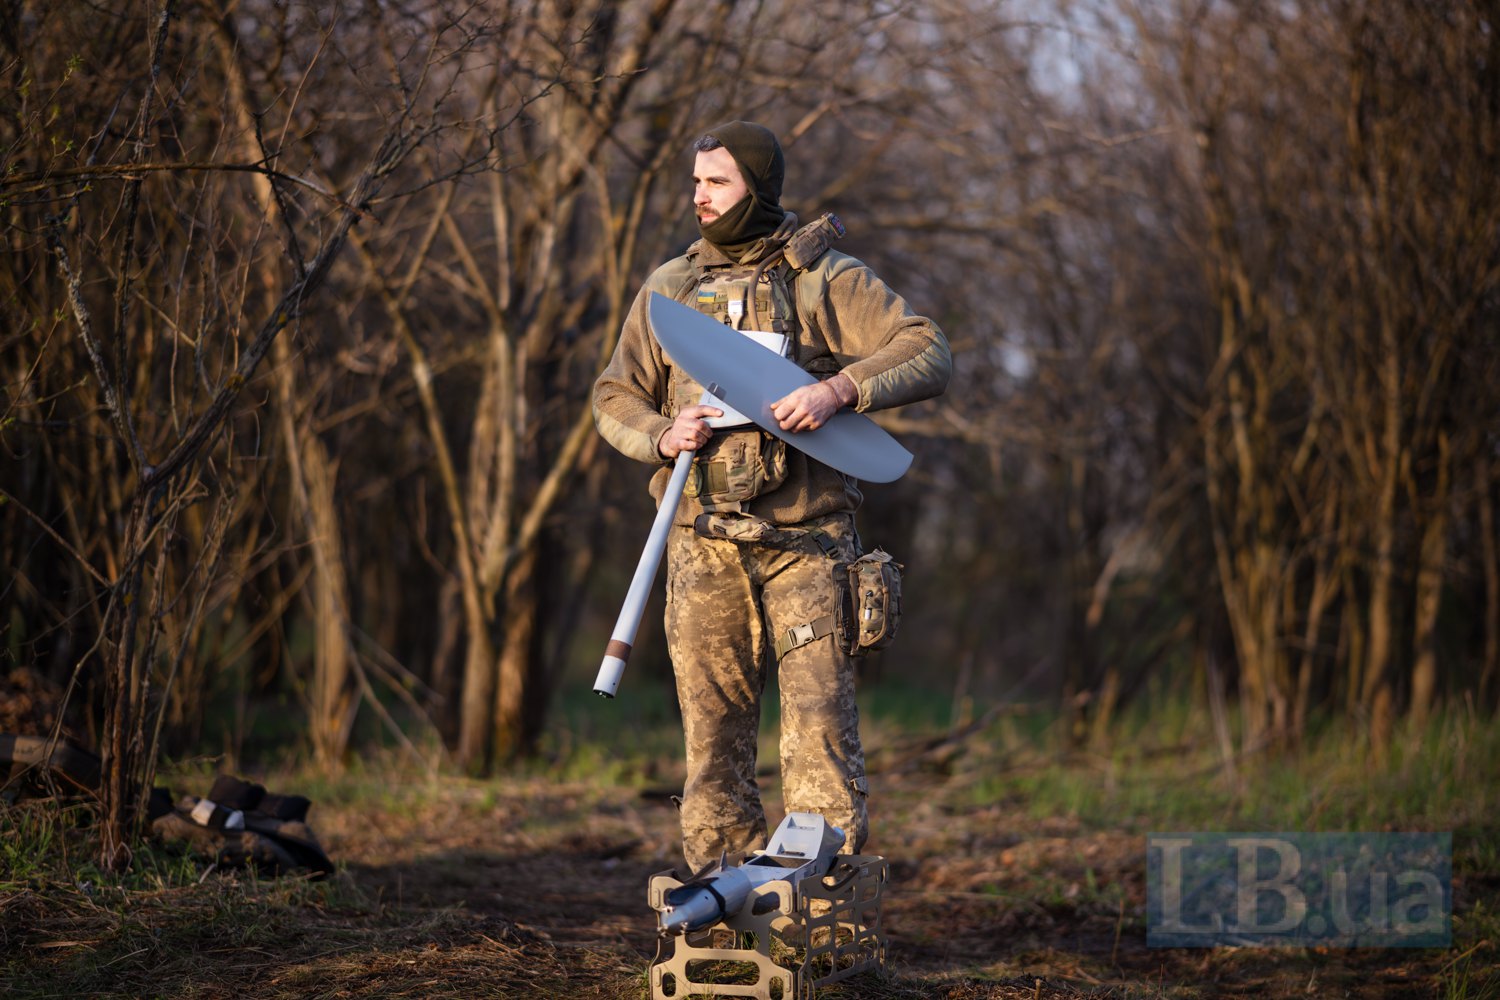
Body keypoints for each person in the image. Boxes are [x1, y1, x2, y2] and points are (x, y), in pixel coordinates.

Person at [593, 120, 950, 871]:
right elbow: (613, 396)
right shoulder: (669, 290)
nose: (701, 197)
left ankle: (821, 917)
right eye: (696, 183)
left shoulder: (824, 278)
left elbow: (927, 348)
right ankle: (724, 916)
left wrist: (840, 390)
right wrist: (662, 434)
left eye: (717, 182)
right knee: (712, 745)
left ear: (757, 187)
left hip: (810, 551)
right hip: (703, 547)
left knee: (819, 739)